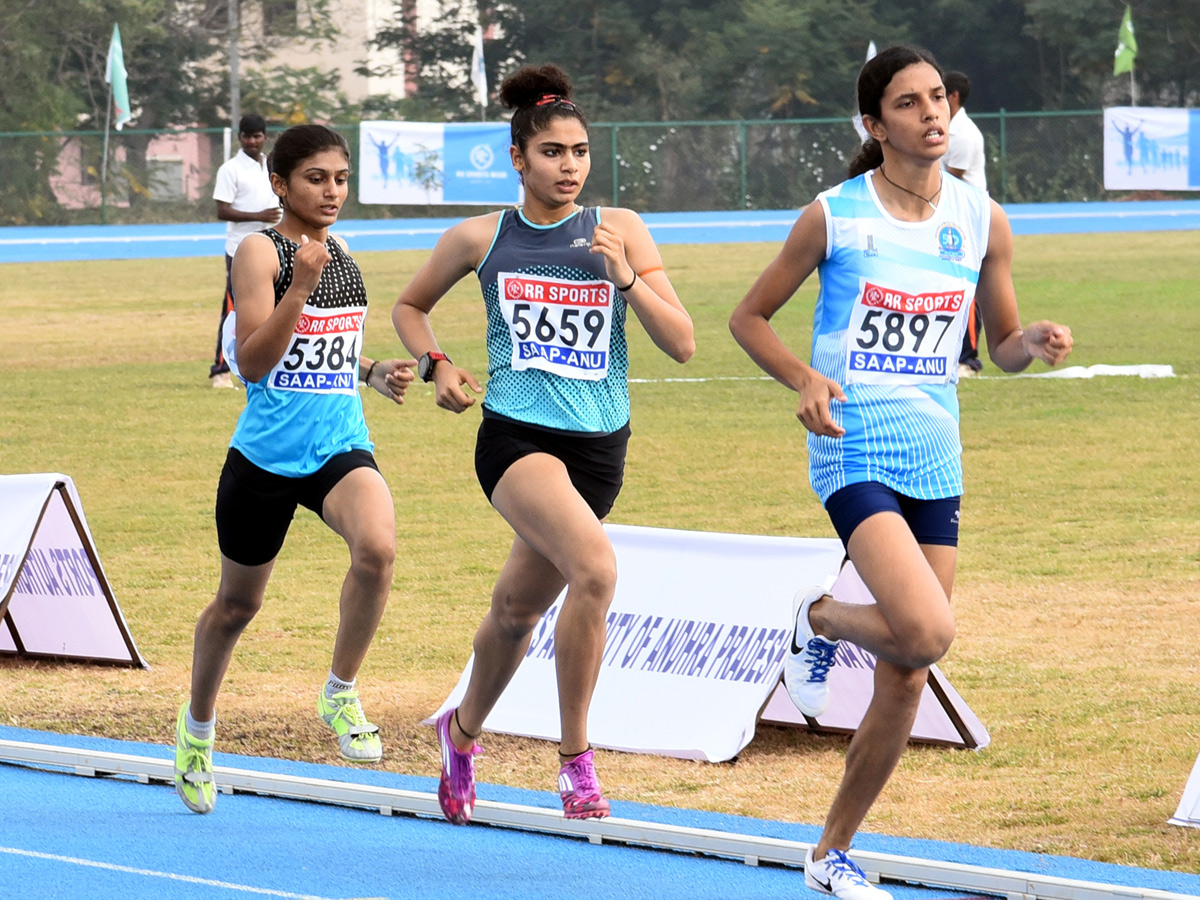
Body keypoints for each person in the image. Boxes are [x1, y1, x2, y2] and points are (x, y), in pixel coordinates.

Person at [729, 46, 1072, 900]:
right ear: (874, 124)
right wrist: (806, 378)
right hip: (853, 445)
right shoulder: (834, 217)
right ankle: (814, 614)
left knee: (910, 671)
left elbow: (997, 348)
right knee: (923, 632)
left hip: (936, 450)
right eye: (911, 103)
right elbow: (749, 316)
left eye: (939, 100)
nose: (933, 115)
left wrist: (1031, 344)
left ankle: (831, 853)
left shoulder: (983, 218)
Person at [392, 64, 694, 825]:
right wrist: (437, 364)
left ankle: (459, 735)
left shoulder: (619, 228)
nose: (570, 167)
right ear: (518, 159)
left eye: (582, 152)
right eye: (554, 153)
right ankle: (575, 763)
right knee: (595, 569)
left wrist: (626, 278)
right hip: (517, 437)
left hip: (599, 449)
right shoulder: (480, 237)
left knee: (515, 612)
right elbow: (410, 305)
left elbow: (683, 343)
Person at [174, 124, 418, 815]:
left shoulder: (342, 249)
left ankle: (340, 691)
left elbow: (330, 348)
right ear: (280, 184)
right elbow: (252, 362)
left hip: (338, 446)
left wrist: (372, 371)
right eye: (316, 177)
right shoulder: (261, 251)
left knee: (377, 549)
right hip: (265, 458)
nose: (332, 190)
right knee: (236, 607)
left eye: (340, 177)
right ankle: (196, 733)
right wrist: (297, 288)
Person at [210, 114, 283, 388]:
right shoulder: (230, 169)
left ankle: (271, 366)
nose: (252, 141)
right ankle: (220, 369)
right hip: (240, 249)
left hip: (271, 246)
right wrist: (259, 215)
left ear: (265, 137)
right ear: (240, 138)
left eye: (257, 136)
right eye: (247, 136)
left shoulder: (270, 166)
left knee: (275, 307)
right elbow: (222, 210)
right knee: (234, 309)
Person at [940, 72, 987, 376]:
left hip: (966, 219)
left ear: (953, 96)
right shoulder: (948, 129)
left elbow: (950, 179)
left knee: (965, 286)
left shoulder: (963, 134)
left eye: (938, 95)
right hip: (950, 215)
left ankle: (968, 359)